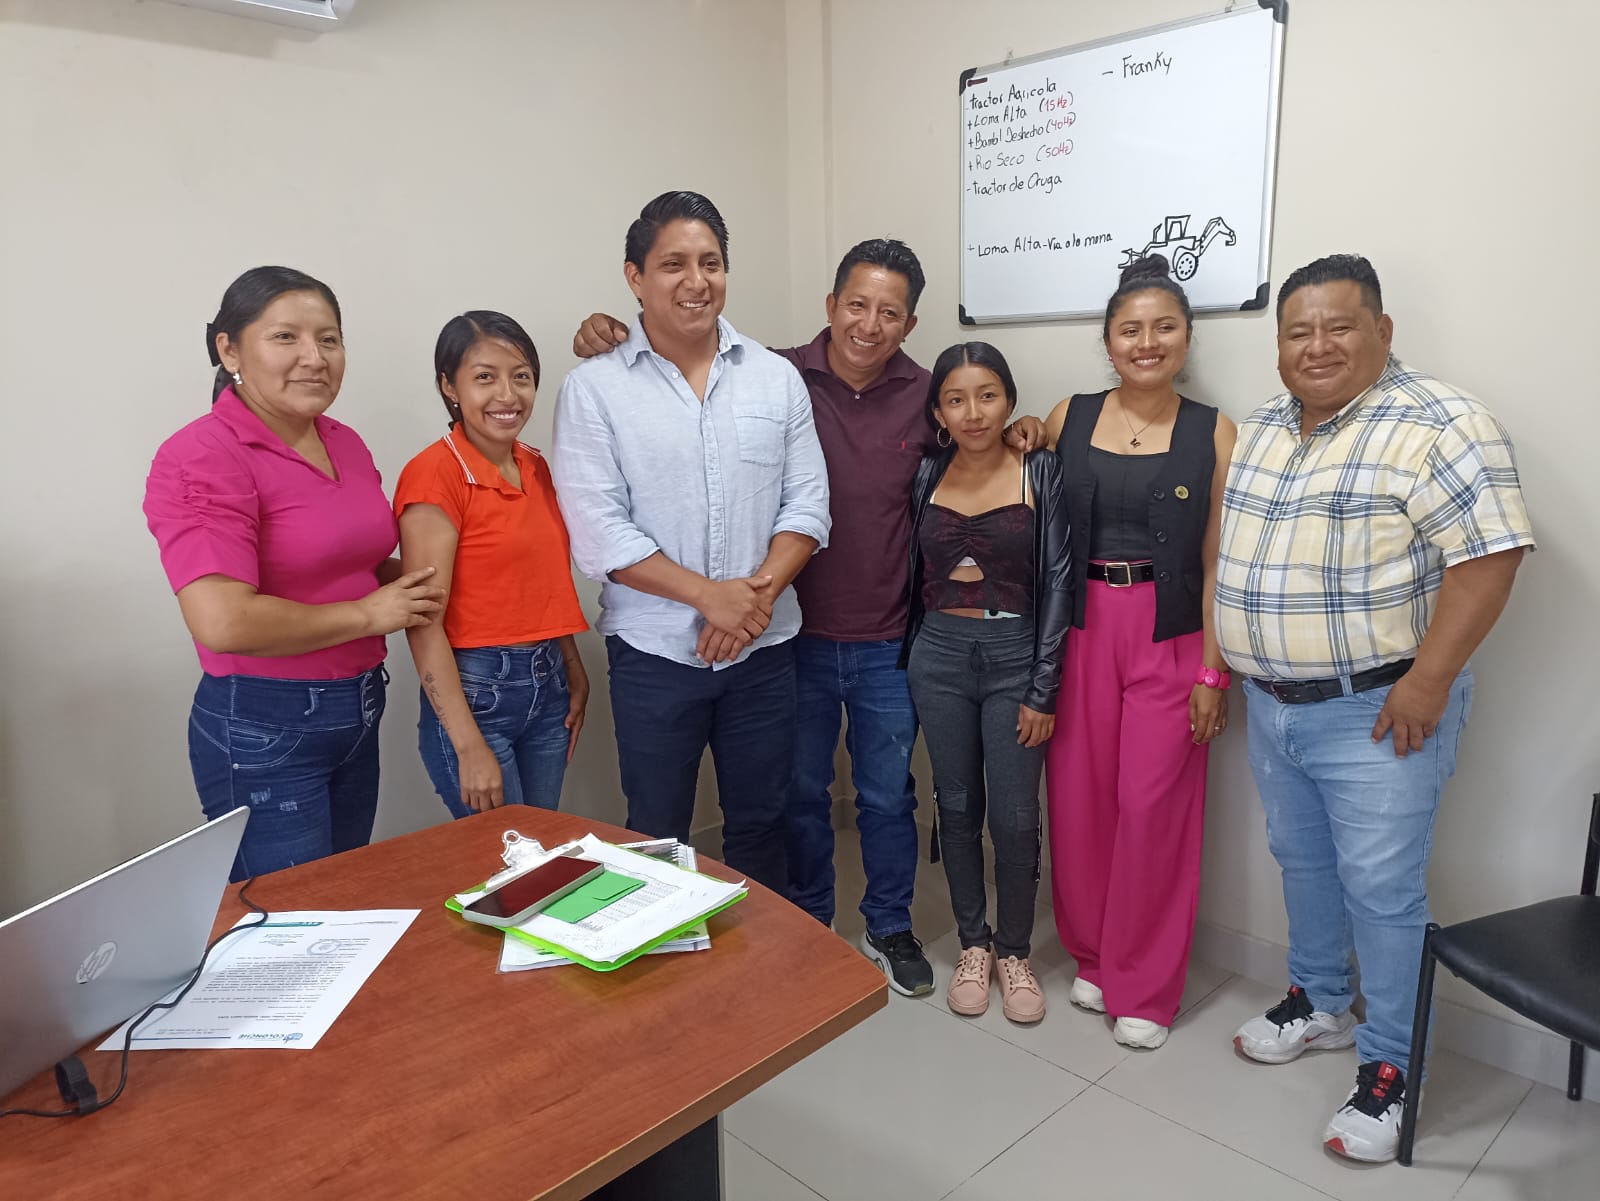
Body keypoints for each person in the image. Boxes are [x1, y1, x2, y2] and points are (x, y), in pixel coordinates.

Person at [570, 239, 967, 997]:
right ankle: (801, 924)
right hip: (791, 636)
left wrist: (1027, 429)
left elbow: (976, 440)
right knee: (790, 800)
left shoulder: (926, 396)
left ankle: (886, 926)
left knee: (885, 797)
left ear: (910, 324)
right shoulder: (778, 373)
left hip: (876, 637)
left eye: (889, 313)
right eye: (856, 305)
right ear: (831, 305)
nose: (869, 325)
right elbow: (607, 520)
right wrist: (609, 334)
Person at [1217, 254, 1534, 1162]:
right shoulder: (1266, 425)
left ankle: (1394, 1065)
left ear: (1382, 331)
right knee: (1303, 863)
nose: (1316, 346)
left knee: (1384, 892)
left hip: (1380, 710)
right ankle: (1321, 1000)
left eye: (1338, 326)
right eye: (1298, 331)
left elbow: (1491, 556)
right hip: (1274, 704)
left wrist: (1428, 681)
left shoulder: (1441, 423)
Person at [550, 191, 830, 893]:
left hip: (764, 651)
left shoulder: (775, 377)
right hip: (653, 655)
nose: (696, 280)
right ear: (635, 276)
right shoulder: (593, 389)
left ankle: (759, 961)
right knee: (655, 834)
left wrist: (750, 604)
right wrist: (710, 598)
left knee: (762, 824)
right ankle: (667, 961)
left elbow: (808, 506)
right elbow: (600, 533)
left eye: (711, 262)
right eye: (673, 264)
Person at [144, 266, 445, 881]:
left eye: (329, 339)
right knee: (290, 918)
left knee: (341, 900)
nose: (315, 357)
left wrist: (449, 572)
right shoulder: (202, 454)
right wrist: (369, 614)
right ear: (230, 349)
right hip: (265, 724)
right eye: (286, 337)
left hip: (359, 706)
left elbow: (349, 560)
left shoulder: (343, 441)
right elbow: (223, 620)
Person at [1029, 256, 1237, 1050]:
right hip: (1081, 627)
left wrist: (1214, 669)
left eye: (1164, 327)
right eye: (1130, 329)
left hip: (1170, 630)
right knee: (1079, 799)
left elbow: (1218, 561)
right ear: (1108, 340)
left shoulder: (1214, 430)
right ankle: (1093, 954)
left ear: (1186, 337)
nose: (1147, 342)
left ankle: (1145, 983)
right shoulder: (1067, 416)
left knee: (1155, 808)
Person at [903, 342, 1071, 1023]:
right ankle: (973, 942)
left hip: (1016, 657)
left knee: (1015, 815)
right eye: (956, 399)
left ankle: (1015, 950)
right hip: (939, 655)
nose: (973, 412)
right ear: (938, 412)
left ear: (1010, 401)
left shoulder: (1039, 467)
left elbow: (1058, 579)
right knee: (957, 805)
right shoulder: (926, 472)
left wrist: (1044, 685)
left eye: (987, 395)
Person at [394, 312, 590, 819]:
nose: (508, 394)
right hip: (478, 695)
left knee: (542, 845)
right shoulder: (434, 475)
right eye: (485, 377)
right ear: (449, 386)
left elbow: (539, 583)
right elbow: (423, 620)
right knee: (505, 857)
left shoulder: (534, 464)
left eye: (520, 376)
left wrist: (572, 668)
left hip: (548, 685)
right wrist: (467, 746)